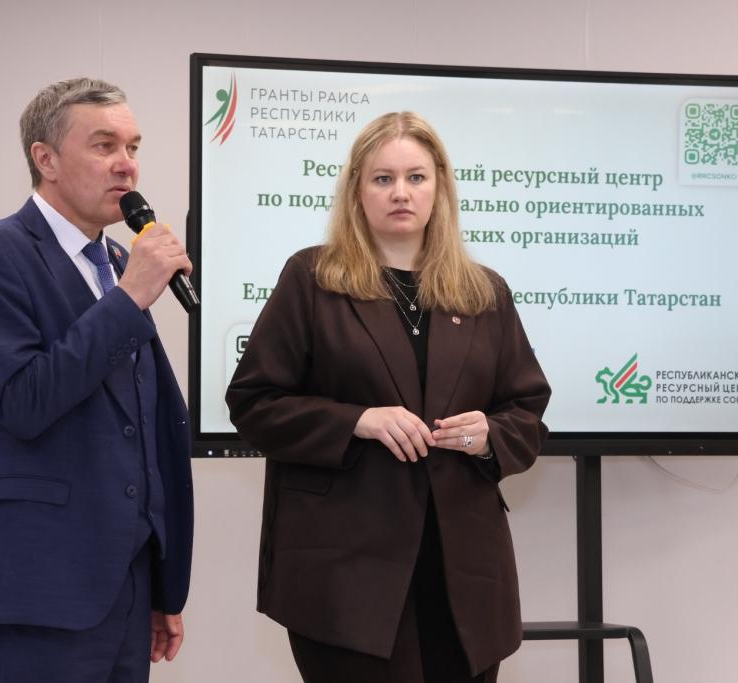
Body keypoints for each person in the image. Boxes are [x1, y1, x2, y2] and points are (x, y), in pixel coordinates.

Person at [225, 112, 551, 683]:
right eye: (383, 178)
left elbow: (527, 412)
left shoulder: (484, 292)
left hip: (464, 578)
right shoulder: (312, 278)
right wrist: (357, 421)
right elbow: (254, 402)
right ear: (357, 189)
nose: (401, 192)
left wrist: (489, 437)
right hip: (346, 575)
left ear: (439, 188)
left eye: (416, 177)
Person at [0, 78, 194, 683]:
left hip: (127, 581)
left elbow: (140, 421)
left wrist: (161, 580)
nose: (126, 164)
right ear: (46, 159)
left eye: (133, 147)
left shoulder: (116, 263)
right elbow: (24, 401)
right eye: (104, 146)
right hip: (43, 579)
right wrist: (130, 299)